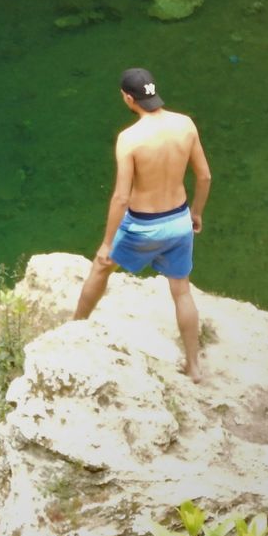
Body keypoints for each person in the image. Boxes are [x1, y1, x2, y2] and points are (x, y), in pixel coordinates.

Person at [73, 67, 212, 381]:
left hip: (142, 225)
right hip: (178, 220)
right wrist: (197, 214)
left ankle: (74, 329)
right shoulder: (185, 125)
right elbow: (204, 176)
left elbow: (122, 197)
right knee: (182, 291)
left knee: (101, 267)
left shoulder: (129, 139)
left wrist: (107, 243)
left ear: (127, 97)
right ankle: (194, 365)